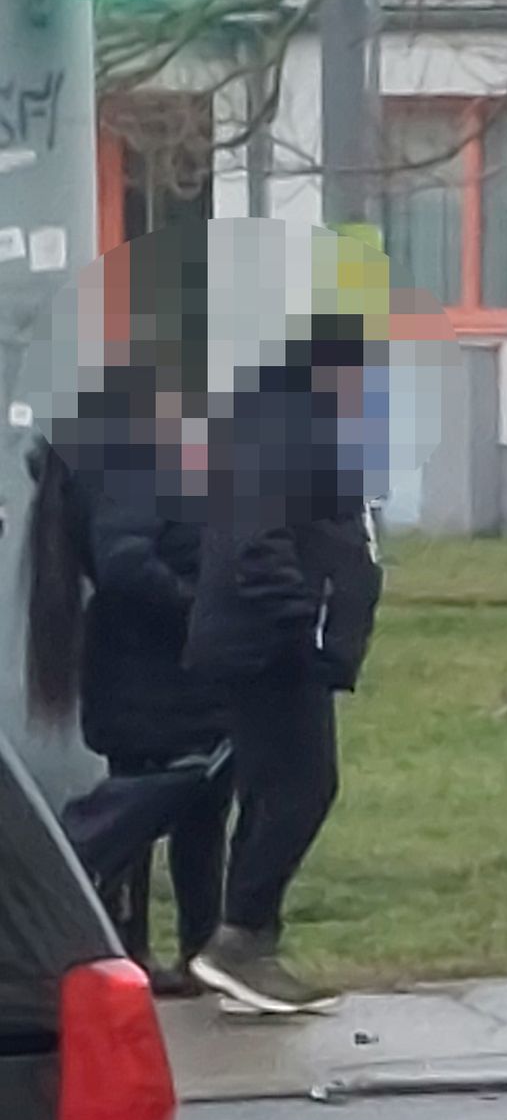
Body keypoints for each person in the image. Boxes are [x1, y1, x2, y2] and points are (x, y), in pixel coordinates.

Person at [183, 309, 381, 1017]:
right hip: (269, 649)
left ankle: (249, 945)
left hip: (285, 648)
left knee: (278, 790)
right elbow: (253, 543)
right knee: (301, 788)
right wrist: (304, 623)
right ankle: (238, 940)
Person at [41, 361, 223, 991]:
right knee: (153, 808)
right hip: (155, 671)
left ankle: (185, 949)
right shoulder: (138, 470)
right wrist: (202, 610)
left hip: (155, 670)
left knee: (192, 809)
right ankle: (137, 951)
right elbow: (126, 565)